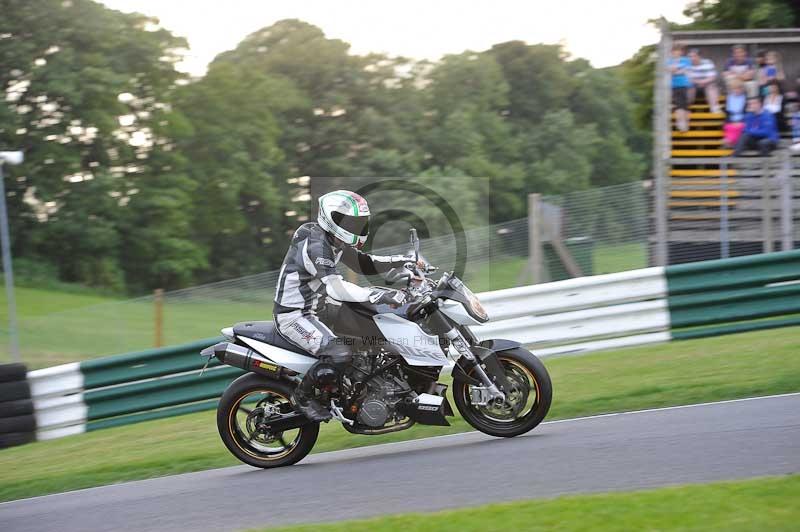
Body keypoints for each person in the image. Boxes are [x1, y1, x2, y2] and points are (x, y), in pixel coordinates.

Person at [273, 190, 417, 421]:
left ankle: (365, 391)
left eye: (360, 222)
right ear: (332, 219)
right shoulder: (316, 245)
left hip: (320, 309)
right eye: (351, 222)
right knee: (340, 352)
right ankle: (303, 396)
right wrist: (377, 296)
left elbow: (364, 263)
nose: (357, 227)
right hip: (295, 315)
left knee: (375, 335)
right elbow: (336, 287)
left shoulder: (334, 240)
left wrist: (406, 260)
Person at [687, 48, 721, 113]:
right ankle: (687, 107)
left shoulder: (708, 62)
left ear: (699, 56)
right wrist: (698, 82)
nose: (692, 58)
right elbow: (688, 78)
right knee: (689, 86)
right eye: (690, 56)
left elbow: (712, 77)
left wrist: (702, 82)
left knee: (711, 86)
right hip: (693, 87)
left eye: (694, 56)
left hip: (706, 86)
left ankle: (714, 107)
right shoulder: (687, 64)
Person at [669, 42, 692, 132]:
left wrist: (676, 70)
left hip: (685, 85)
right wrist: (678, 70)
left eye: (678, 51)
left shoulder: (686, 60)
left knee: (685, 105)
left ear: (681, 52)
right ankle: (681, 123)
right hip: (675, 85)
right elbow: (672, 70)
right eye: (674, 51)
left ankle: (685, 122)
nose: (676, 53)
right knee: (679, 105)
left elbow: (686, 70)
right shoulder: (670, 61)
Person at [723, 79, 747, 147]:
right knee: (729, 127)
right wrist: (732, 122)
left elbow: (746, 113)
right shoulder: (729, 98)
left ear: (742, 89)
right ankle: (731, 142)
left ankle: (730, 141)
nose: (737, 90)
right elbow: (728, 113)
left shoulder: (745, 98)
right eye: (735, 88)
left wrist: (739, 121)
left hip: (742, 120)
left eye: (739, 88)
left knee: (739, 127)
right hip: (731, 120)